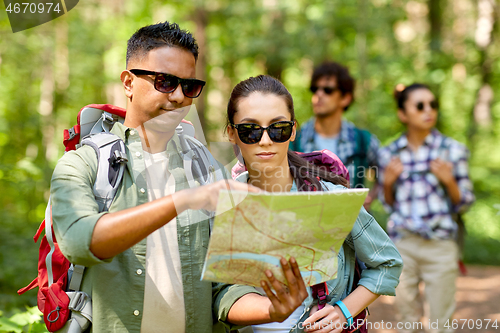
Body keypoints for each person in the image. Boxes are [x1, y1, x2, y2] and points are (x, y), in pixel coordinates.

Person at [50, 22, 308, 333]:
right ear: (128, 82)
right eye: (164, 81)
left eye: (189, 86)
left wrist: (270, 309)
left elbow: (224, 288)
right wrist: (183, 200)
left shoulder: (205, 168)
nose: (178, 97)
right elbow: (79, 242)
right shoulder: (85, 163)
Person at [226, 75, 403, 333]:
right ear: (232, 133)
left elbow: (388, 262)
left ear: (293, 130)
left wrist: (344, 311)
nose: (265, 140)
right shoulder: (223, 204)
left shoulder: (330, 199)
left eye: (278, 128)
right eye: (250, 130)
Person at [378, 83, 475, 333]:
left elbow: (465, 202)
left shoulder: (453, 150)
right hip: (403, 246)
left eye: (433, 105)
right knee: (406, 322)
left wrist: (450, 181)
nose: (428, 110)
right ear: (403, 114)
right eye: (420, 106)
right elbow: (387, 203)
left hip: (440, 245)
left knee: (441, 325)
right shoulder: (389, 153)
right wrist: (387, 184)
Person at [290, 61, 380, 209]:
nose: (319, 94)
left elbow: (385, 175)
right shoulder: (294, 140)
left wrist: (370, 197)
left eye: (328, 90)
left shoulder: (363, 140)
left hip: (352, 227)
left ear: (345, 98)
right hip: (307, 225)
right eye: (315, 89)